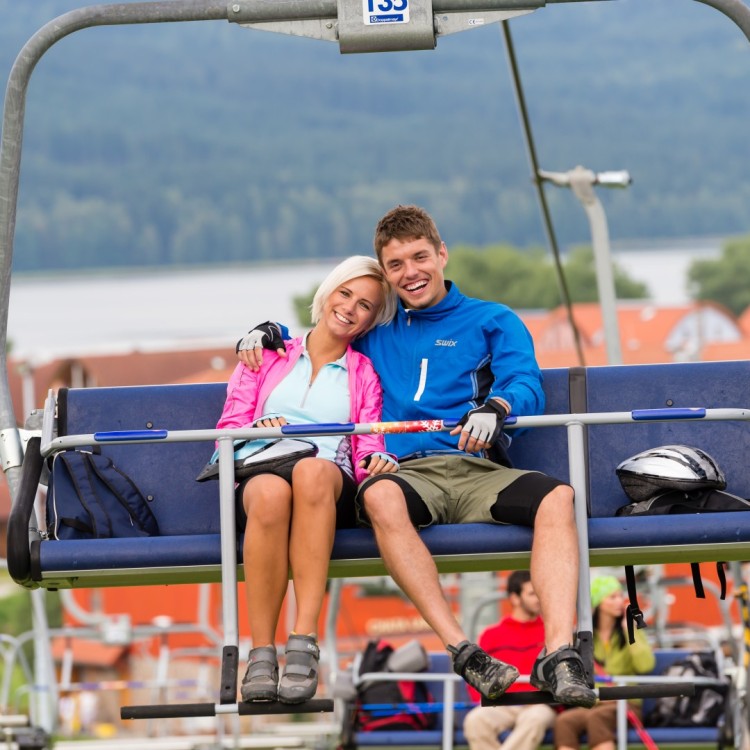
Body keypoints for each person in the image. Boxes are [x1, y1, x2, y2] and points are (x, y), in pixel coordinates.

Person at [236, 204, 597, 707]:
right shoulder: (379, 332)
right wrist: (268, 331)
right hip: (406, 475)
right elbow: (325, 329)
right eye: (396, 265)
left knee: (558, 497)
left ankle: (557, 653)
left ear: (442, 253)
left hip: (475, 467)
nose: (411, 273)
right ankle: (464, 650)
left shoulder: (492, 320)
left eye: (419, 257)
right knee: (380, 498)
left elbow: (524, 382)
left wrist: (498, 406)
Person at [218, 255, 398, 704]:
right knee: (269, 492)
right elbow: (227, 429)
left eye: (365, 306)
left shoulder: (363, 374)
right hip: (262, 465)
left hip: (325, 476)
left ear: (371, 320)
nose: (351, 308)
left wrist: (379, 461)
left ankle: (304, 639)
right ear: (327, 294)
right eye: (345, 294)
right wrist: (254, 430)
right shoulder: (265, 356)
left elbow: (366, 439)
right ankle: (261, 651)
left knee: (312, 471)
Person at [553, 575, 656, 750]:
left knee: (597, 718)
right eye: (612, 597)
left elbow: (645, 665)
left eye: (620, 596)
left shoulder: (628, 631)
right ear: (599, 602)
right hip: (594, 703)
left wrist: (628, 629)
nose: (619, 602)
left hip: (625, 703)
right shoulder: (583, 638)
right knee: (564, 722)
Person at [463, 571, 556, 750]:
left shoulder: (551, 632)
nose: (538, 599)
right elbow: (476, 676)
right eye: (531, 594)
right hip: (500, 704)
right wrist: (485, 700)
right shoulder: (491, 635)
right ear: (514, 598)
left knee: (535, 719)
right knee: (475, 721)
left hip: (538, 704)